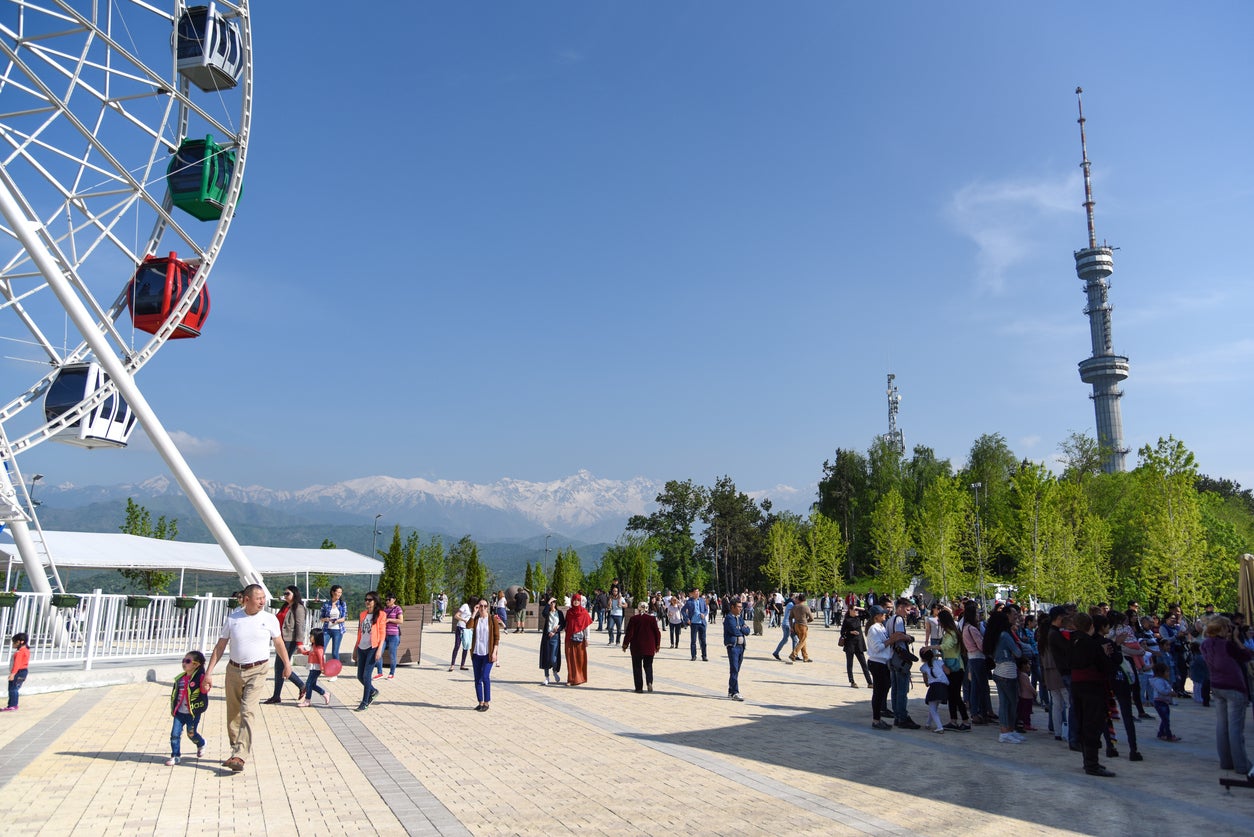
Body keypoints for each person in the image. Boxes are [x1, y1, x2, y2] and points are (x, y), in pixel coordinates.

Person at [203, 584, 294, 773]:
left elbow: (278, 642)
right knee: (233, 713)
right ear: (246, 599)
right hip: (234, 671)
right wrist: (208, 672)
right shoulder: (233, 619)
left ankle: (241, 755)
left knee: (247, 711)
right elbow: (220, 647)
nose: (262, 601)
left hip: (258, 670)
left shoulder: (269, 619)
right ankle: (236, 749)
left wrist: (287, 664)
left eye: (263, 598)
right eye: (258, 598)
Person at [1199, 616, 1251, 776]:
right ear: (1222, 629)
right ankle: (1241, 765)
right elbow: (1247, 655)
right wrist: (1235, 638)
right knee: (1236, 728)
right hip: (1233, 686)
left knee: (1222, 726)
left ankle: (1226, 761)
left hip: (1217, 685)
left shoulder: (1205, 644)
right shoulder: (1227, 645)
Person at [1070, 612, 1116, 777]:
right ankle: (1092, 764)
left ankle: (1089, 762)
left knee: (1084, 722)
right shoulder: (1090, 643)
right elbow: (1105, 666)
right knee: (1092, 724)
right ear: (1091, 626)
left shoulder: (1073, 641)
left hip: (1077, 686)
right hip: (1092, 687)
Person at [985, 609, 1023, 744]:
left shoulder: (994, 635)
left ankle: (1006, 730)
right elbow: (1018, 652)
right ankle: (1007, 730)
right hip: (1008, 672)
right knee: (1011, 703)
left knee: (1004, 703)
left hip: (999, 670)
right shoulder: (1005, 635)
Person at [264, 586, 307, 705]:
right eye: (285, 593)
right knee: (279, 667)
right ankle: (278, 695)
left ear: (295, 594)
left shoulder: (298, 608)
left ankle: (301, 686)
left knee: (281, 666)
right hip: (281, 639)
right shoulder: (285, 606)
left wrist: (299, 643)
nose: (285, 595)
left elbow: (300, 626)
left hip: (290, 640)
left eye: (287, 593)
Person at [166, 650, 208, 765]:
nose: (184, 663)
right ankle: (175, 756)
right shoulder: (180, 678)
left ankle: (201, 743)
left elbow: (204, 690)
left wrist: (205, 686)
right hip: (179, 712)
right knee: (175, 734)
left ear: (196, 664)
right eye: (183, 660)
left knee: (191, 733)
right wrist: (173, 708)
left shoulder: (200, 678)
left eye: (187, 661)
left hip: (192, 713)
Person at [887, 597, 920, 729]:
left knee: (895, 688)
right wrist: (909, 638)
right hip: (899, 657)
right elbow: (898, 635)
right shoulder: (899, 619)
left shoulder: (890, 620)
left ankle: (897, 715)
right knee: (902, 689)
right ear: (900, 607)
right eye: (907, 609)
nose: (908, 613)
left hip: (892, 657)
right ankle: (902, 716)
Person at [352, 592, 385, 711]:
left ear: (375, 601)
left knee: (367, 676)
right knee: (360, 676)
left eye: (370, 600)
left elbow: (382, 634)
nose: (367, 602)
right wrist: (355, 649)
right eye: (366, 599)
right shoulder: (362, 615)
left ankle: (365, 702)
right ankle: (373, 691)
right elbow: (360, 632)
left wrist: (379, 649)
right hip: (362, 647)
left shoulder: (381, 615)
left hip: (373, 647)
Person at [937, 608, 969, 730]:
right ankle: (953, 720)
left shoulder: (951, 634)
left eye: (940, 621)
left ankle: (965, 721)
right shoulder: (949, 633)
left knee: (955, 695)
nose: (939, 623)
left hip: (956, 668)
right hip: (951, 666)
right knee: (951, 695)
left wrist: (932, 647)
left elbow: (947, 646)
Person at [467, 597, 500, 711]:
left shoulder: (492, 619)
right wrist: (474, 613)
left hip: (488, 653)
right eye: (480, 606)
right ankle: (480, 702)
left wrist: (495, 652)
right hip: (476, 653)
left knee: (485, 677)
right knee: (477, 679)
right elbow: (468, 626)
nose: (483, 608)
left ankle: (486, 702)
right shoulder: (476, 619)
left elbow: (496, 637)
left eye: (485, 606)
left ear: (488, 607)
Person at [623, 601, 662, 693]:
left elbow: (629, 633)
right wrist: (657, 645)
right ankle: (649, 681)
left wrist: (625, 644)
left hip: (636, 647)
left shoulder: (634, 619)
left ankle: (639, 687)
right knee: (648, 666)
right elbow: (657, 633)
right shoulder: (652, 619)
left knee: (637, 667)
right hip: (649, 647)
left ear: (638, 608)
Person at [866, 606, 893, 730]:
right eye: (882, 614)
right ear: (876, 616)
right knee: (878, 692)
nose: (885, 615)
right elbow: (877, 647)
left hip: (883, 662)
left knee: (883, 689)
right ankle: (876, 720)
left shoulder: (882, 627)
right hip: (876, 662)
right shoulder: (873, 629)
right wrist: (891, 640)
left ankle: (879, 717)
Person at [724, 599, 751, 701]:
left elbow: (747, 631)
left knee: (736, 669)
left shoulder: (740, 618)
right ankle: (735, 691)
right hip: (733, 646)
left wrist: (741, 628)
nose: (741, 609)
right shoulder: (729, 618)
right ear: (732, 607)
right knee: (734, 668)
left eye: (741, 607)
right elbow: (734, 630)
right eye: (739, 607)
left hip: (741, 647)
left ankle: (731, 690)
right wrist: (741, 629)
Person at [840, 606, 873, 689]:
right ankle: (852, 681)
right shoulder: (847, 620)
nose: (856, 611)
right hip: (850, 644)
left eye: (857, 610)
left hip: (859, 644)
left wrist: (860, 608)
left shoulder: (858, 618)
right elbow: (842, 633)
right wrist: (850, 632)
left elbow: (869, 615)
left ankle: (870, 682)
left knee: (864, 664)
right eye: (855, 610)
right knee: (850, 664)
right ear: (850, 611)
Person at [374, 593, 404, 680]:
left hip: (393, 635)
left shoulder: (397, 608)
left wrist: (390, 620)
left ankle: (392, 673)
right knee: (378, 653)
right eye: (386, 599)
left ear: (394, 599)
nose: (387, 601)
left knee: (392, 654)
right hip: (383, 635)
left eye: (389, 599)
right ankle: (380, 673)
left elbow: (401, 621)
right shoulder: (384, 609)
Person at [320, 585, 347, 676]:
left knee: (335, 652)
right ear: (332, 592)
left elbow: (344, 618)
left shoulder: (342, 604)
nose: (339, 594)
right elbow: (321, 617)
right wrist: (326, 619)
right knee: (321, 649)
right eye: (338, 592)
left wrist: (336, 620)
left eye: (340, 592)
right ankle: (321, 668)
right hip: (327, 629)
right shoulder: (326, 604)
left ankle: (335, 671)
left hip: (338, 630)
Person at [564, 594, 592, 686]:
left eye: (578, 600)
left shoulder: (584, 612)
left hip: (580, 639)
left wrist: (587, 638)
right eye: (574, 600)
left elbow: (586, 626)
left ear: (580, 601)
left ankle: (580, 678)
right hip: (570, 638)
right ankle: (571, 678)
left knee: (580, 658)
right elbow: (566, 624)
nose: (576, 602)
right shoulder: (569, 612)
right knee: (570, 659)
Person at [919, 648, 948, 733]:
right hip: (943, 686)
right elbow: (948, 671)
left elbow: (926, 681)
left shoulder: (923, 667)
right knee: (934, 707)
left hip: (934, 687)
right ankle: (928, 723)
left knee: (932, 708)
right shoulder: (939, 662)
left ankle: (939, 727)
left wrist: (927, 684)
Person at [299, 629, 330, 707]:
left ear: (317, 637)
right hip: (313, 667)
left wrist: (322, 668)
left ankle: (307, 700)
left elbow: (321, 658)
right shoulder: (314, 646)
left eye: (311, 636)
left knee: (309, 684)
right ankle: (325, 693)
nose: (310, 637)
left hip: (316, 668)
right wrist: (304, 652)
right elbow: (311, 653)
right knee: (312, 685)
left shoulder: (319, 648)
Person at [539, 595, 564, 685]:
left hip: (555, 637)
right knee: (546, 657)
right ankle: (547, 677)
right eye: (551, 603)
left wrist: (558, 628)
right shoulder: (548, 613)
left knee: (553, 658)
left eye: (554, 602)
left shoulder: (559, 613)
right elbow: (544, 613)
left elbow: (563, 624)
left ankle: (555, 671)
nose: (553, 604)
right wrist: (548, 603)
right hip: (547, 636)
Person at [682, 588, 709, 662]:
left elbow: (706, 610)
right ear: (692, 593)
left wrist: (704, 614)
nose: (697, 593)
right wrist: (687, 619)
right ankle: (693, 656)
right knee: (693, 640)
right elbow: (683, 610)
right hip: (693, 623)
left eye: (698, 591)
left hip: (702, 623)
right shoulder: (689, 601)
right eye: (695, 592)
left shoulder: (702, 600)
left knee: (703, 640)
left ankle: (704, 656)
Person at [4, 632, 29, 711]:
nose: (13, 644)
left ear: (20, 642)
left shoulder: (19, 653)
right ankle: (12, 705)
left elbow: (17, 664)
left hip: (18, 672)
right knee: (15, 688)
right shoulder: (26, 651)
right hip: (23, 672)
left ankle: (12, 705)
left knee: (12, 689)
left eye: (14, 642)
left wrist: (13, 674)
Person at [789, 593, 814, 663]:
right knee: (802, 641)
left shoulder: (794, 607)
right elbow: (812, 618)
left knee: (802, 641)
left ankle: (805, 657)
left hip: (796, 625)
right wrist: (807, 621)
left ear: (798, 599)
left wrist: (791, 627)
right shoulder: (806, 607)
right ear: (804, 600)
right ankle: (793, 654)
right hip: (803, 626)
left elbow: (790, 618)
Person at [449, 599, 472, 672]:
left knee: (466, 646)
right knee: (457, 646)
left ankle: (462, 664)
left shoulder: (473, 609)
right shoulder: (465, 606)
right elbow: (456, 616)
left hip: (467, 629)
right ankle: (452, 665)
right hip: (460, 627)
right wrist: (463, 620)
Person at [772, 595, 796, 662]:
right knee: (794, 639)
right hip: (788, 624)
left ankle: (777, 652)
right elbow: (795, 613)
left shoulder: (790, 604)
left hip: (786, 624)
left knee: (786, 639)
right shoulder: (791, 605)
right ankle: (794, 654)